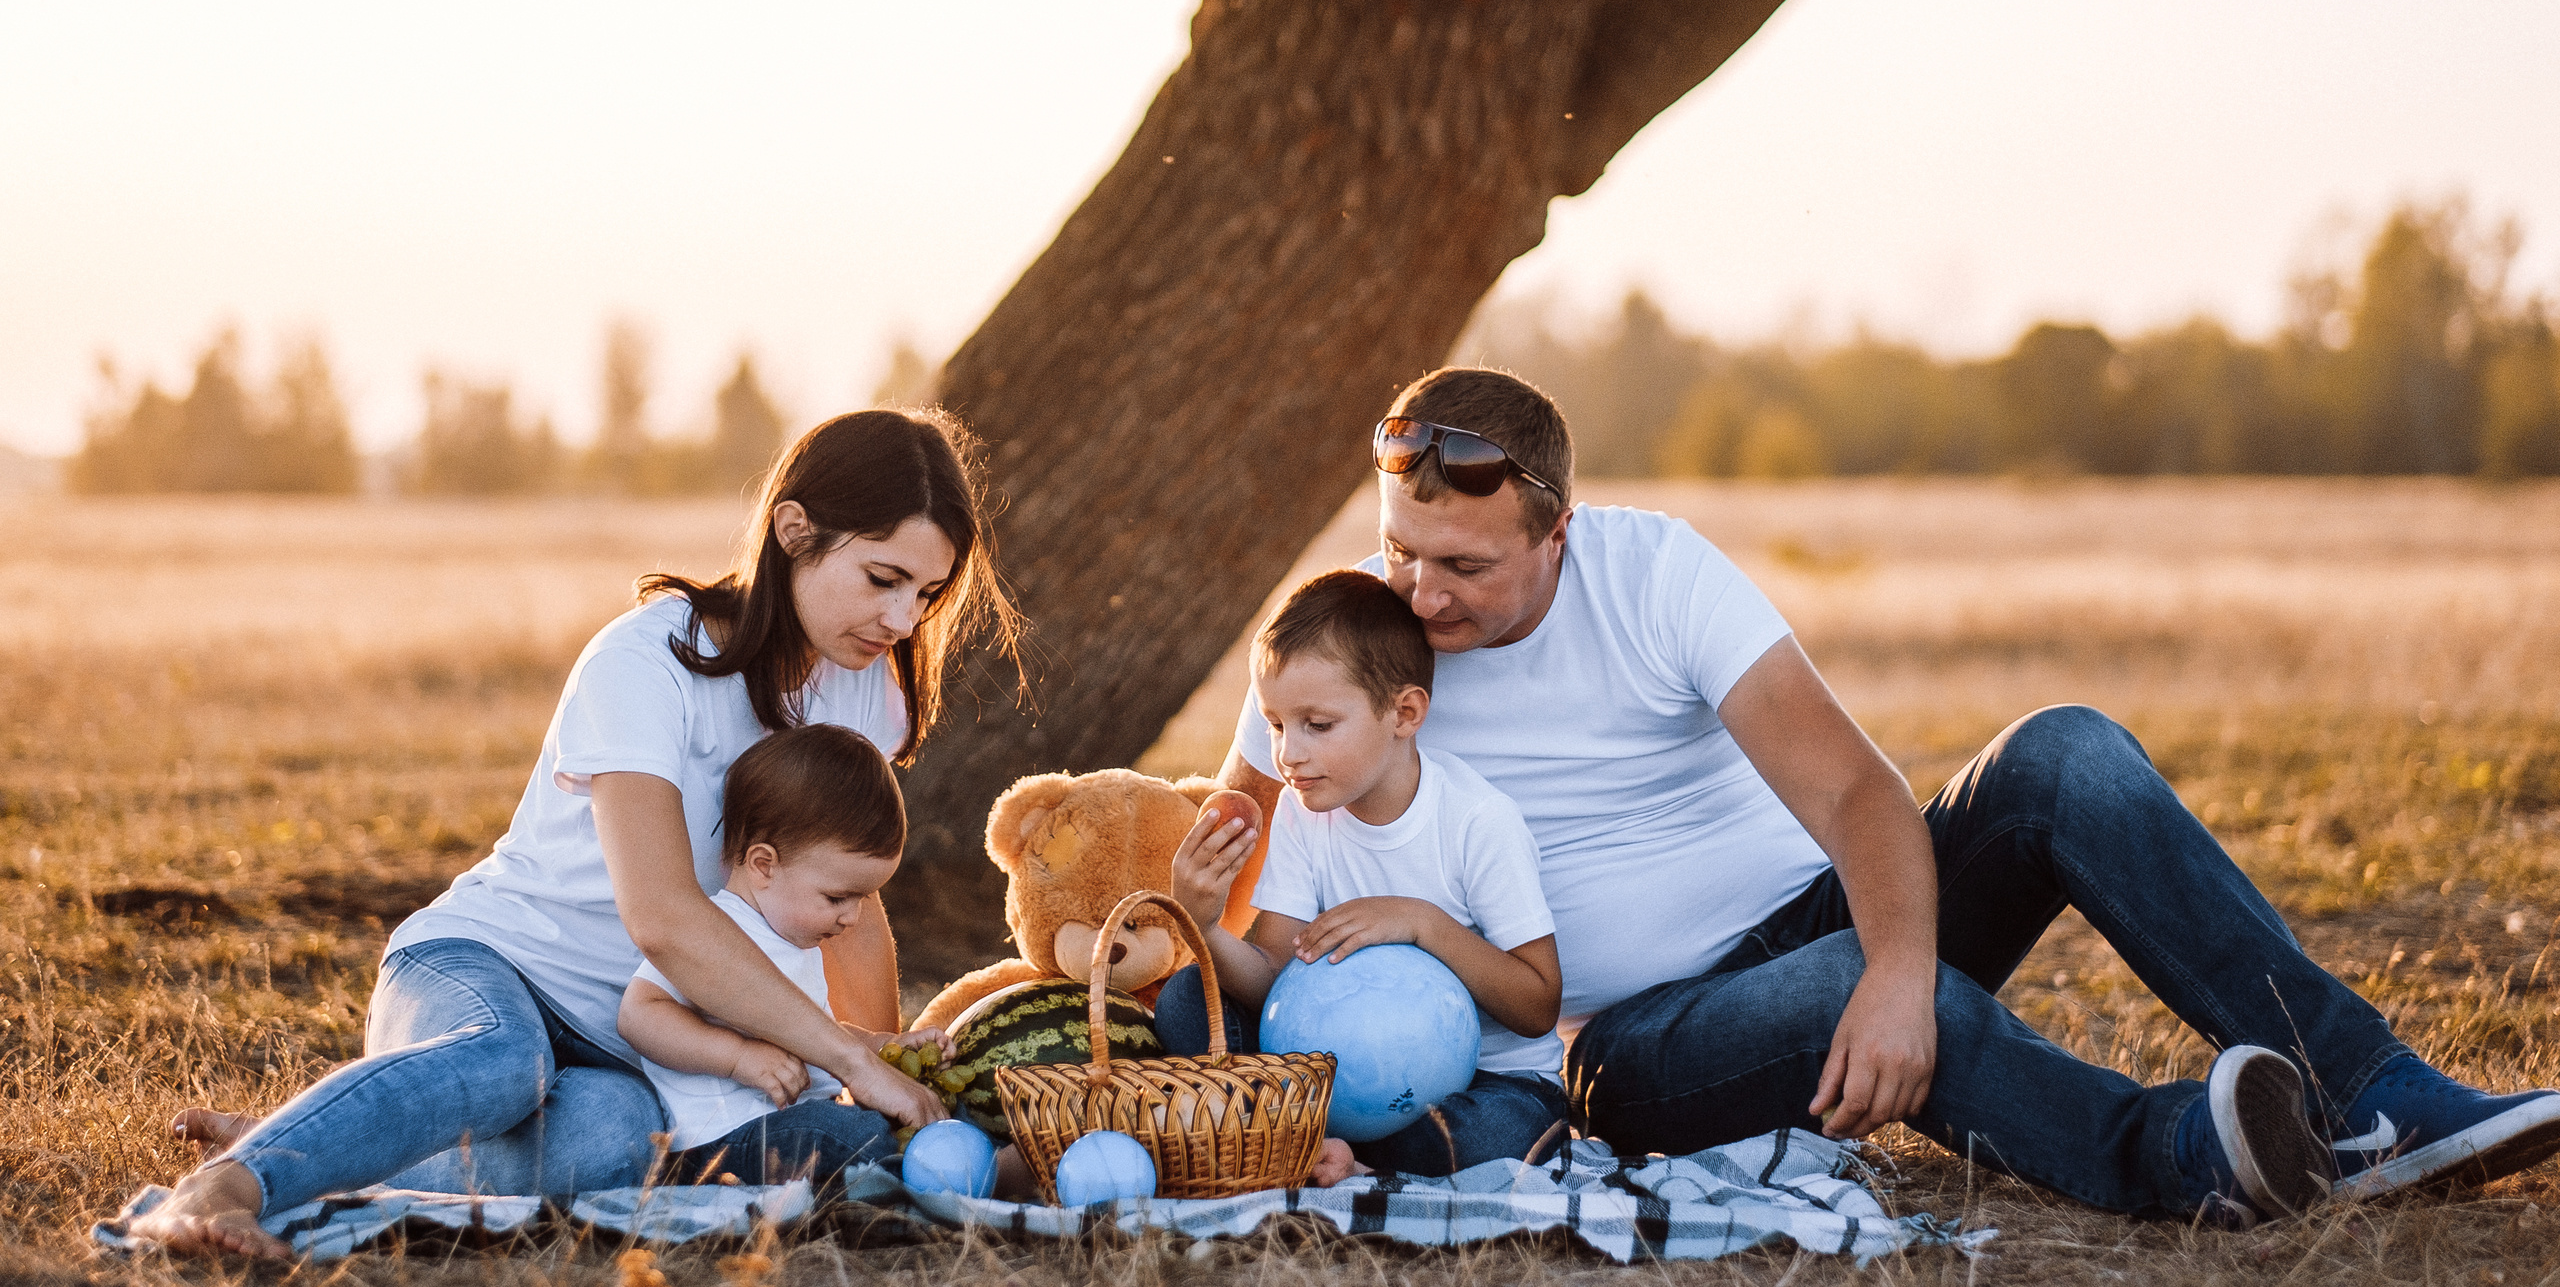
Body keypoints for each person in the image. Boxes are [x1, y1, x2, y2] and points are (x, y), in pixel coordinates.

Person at [1214, 368, 2560, 1225]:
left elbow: (1860, 789)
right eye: (1403, 549)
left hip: (1805, 921)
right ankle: (2190, 1158)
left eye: (1463, 563)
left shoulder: (1654, 572)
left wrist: (1902, 969)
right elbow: (1239, 831)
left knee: (2065, 751)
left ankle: (2377, 1091)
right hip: (1636, 1040)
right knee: (1851, 978)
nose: (1421, 590)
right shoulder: (1353, 641)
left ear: (1558, 532)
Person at [130, 408, 1017, 1258]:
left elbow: (847, 899)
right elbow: (663, 916)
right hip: (486, 969)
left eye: (927, 593)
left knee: (620, 1143)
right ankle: (228, 1184)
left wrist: (889, 1075)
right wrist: (842, 1055)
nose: (905, 621)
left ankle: (346, 1132)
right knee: (507, 1062)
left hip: (634, 1037)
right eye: (883, 579)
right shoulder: (644, 661)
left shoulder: (865, 689)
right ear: (794, 530)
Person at [1162, 569, 1568, 1178]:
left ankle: (1307, 1142)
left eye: (1317, 726)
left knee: (1474, 1139)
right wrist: (1204, 925)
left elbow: (1539, 1005)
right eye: (1275, 725)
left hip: (1484, 1081)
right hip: (1339, 1070)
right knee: (1187, 999)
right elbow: (1274, 980)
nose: (1288, 754)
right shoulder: (1306, 812)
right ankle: (1321, 1138)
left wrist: (1422, 924)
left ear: (1404, 713)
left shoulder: (1476, 822)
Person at [622, 723, 924, 1188]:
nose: (853, 918)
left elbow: (814, 1033)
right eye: (838, 897)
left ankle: (921, 1170)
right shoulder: (718, 930)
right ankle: (910, 1182)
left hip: (793, 1122)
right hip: (725, 1137)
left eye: (862, 899)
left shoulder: (796, 938)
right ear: (764, 865)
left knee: (881, 1121)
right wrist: (736, 1057)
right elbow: (639, 1014)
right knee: (849, 1136)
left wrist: (879, 1046)